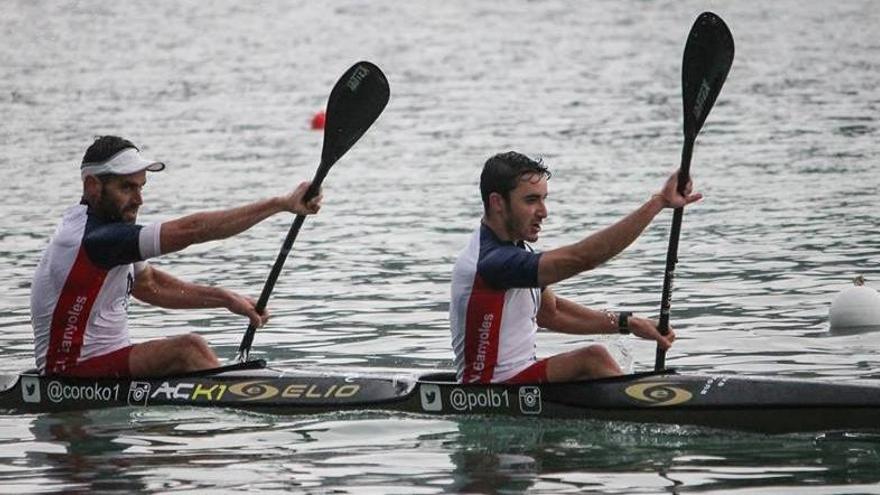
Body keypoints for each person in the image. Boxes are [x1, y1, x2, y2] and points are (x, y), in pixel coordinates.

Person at [30, 136, 322, 378]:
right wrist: (280, 204)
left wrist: (224, 298)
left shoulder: (109, 233)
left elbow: (149, 284)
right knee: (188, 350)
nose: (139, 199)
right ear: (92, 186)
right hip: (70, 374)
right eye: (126, 188)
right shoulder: (92, 239)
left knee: (190, 355)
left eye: (140, 187)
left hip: (108, 366)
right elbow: (191, 230)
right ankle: (247, 405)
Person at [450, 151, 701, 384]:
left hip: (520, 380)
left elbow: (552, 312)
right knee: (593, 358)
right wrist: (657, 203)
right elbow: (582, 258)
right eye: (531, 200)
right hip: (487, 392)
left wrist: (630, 323)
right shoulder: (492, 262)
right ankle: (652, 410)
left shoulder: (515, 250)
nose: (543, 212)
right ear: (497, 203)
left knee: (593, 359)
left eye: (544, 199)